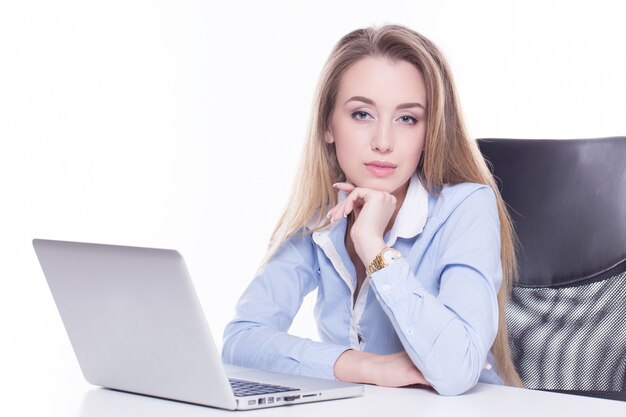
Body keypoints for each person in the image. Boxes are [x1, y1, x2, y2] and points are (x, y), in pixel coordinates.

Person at [222, 24, 523, 396]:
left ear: (430, 132)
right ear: (328, 125)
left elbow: (456, 370)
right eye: (362, 114)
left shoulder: (466, 207)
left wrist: (372, 245)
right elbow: (240, 341)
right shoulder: (320, 213)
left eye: (407, 118)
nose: (383, 142)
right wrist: (368, 367)